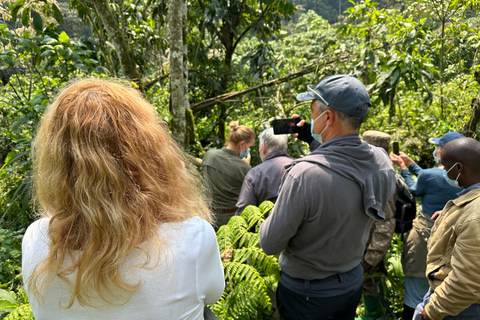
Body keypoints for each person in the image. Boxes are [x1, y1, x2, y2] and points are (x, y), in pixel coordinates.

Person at [22, 79, 225, 319]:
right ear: (149, 153)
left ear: (57, 162)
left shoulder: (37, 240)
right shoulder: (192, 236)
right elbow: (213, 294)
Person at [259, 74, 396, 319]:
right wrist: (314, 140)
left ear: (328, 116)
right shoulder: (381, 161)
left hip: (306, 295)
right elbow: (344, 166)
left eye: (313, 112)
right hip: (351, 281)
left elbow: (269, 244)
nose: (311, 119)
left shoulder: (303, 175)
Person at [389, 132, 464, 320]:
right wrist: (412, 164)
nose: (435, 150)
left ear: (446, 151)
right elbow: (432, 178)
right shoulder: (467, 177)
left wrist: (403, 168)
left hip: (424, 236)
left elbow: (415, 189)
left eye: (438, 147)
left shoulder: (431, 175)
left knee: (415, 293)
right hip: (454, 241)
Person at [414, 137, 480, 320]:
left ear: (458, 168)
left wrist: (432, 311)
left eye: (445, 167)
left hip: (459, 308)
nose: (443, 171)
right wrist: (450, 216)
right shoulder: (471, 203)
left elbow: (467, 280)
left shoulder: (475, 213)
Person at [360, 130, 397, 320]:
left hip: (371, 246)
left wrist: (373, 256)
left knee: (371, 284)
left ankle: (374, 315)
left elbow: (386, 220)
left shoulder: (382, 174)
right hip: (367, 243)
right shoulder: (374, 169)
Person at [202, 121, 255, 229]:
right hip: (231, 221)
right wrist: (246, 166)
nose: (249, 150)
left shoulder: (209, 155)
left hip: (208, 217)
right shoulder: (244, 168)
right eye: (249, 147)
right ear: (242, 144)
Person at [235, 128, 293, 215]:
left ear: (263, 148)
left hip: (265, 227)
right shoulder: (300, 167)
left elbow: (244, 213)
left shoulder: (255, 174)